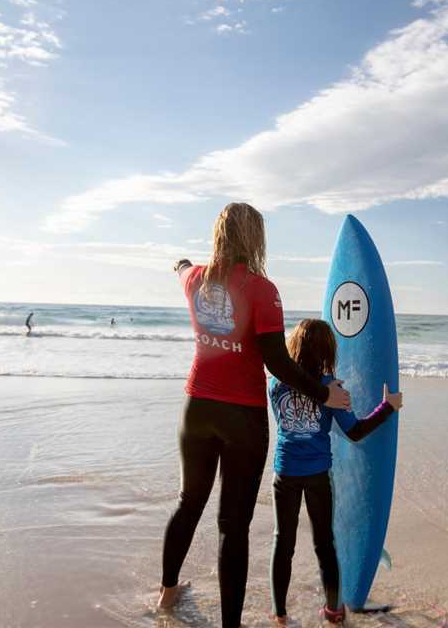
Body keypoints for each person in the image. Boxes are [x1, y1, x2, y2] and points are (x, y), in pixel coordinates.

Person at [158, 203, 351, 628]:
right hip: (241, 417)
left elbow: (181, 267)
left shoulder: (194, 279)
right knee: (233, 524)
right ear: (255, 238)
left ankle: (167, 593)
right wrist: (324, 395)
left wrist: (180, 262)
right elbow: (278, 363)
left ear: (219, 235)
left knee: (188, 503)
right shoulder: (262, 290)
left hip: (197, 409)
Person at [268, 319, 403, 625]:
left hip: (284, 473)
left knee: (282, 543)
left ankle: (279, 613)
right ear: (327, 350)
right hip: (317, 476)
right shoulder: (332, 389)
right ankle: (333, 611)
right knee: (324, 543)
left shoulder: (275, 383)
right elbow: (355, 432)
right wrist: (387, 407)